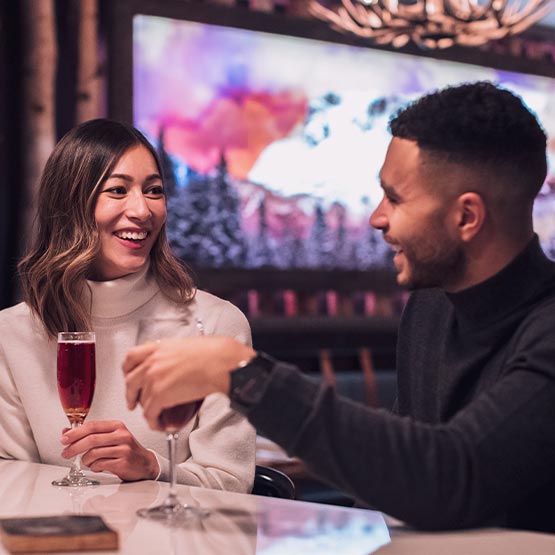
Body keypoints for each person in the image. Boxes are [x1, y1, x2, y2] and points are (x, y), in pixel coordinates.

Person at [123, 81, 555, 532]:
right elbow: (398, 471)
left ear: (467, 217)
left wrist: (242, 374)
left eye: (396, 198)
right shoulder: (430, 308)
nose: (377, 218)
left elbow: (451, 477)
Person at [0, 119, 255, 492]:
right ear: (70, 204)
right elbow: (11, 479)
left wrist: (152, 467)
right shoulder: (12, 333)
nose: (142, 210)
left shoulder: (216, 324)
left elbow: (231, 483)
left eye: (154, 191)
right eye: (118, 190)